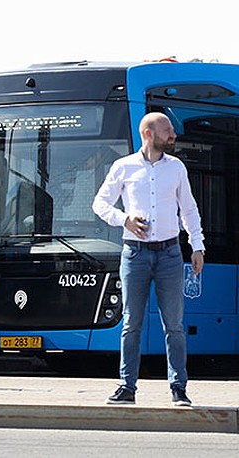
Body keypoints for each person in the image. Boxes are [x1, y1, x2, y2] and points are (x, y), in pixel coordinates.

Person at [92, 112, 204, 407]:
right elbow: (100, 203)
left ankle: (179, 388)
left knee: (174, 325)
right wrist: (124, 219)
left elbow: (189, 210)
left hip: (169, 252)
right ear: (148, 134)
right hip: (134, 253)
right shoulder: (123, 167)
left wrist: (197, 246)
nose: (173, 134)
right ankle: (127, 387)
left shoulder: (177, 168)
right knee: (131, 323)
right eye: (167, 130)